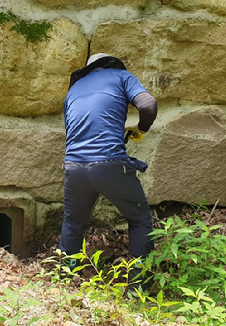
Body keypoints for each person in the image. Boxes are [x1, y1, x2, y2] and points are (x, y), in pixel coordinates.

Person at [60, 53, 158, 288]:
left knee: (73, 224)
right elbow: (148, 104)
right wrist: (141, 129)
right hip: (110, 165)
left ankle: (63, 283)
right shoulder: (122, 76)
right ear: (111, 65)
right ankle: (138, 290)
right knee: (140, 220)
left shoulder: (73, 91)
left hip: (74, 167)